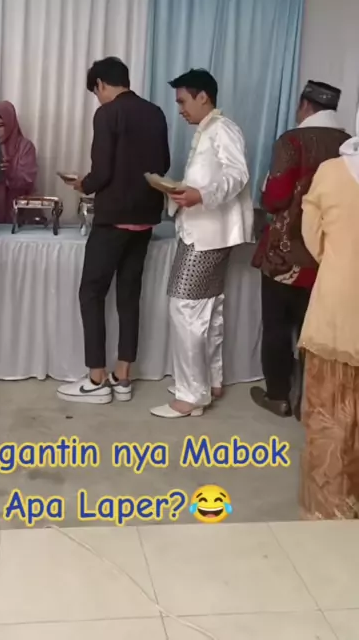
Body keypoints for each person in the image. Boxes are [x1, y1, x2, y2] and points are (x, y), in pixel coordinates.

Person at [57, 57, 170, 405]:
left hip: (114, 219)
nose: (98, 98)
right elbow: (163, 164)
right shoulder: (155, 113)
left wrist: (84, 184)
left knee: (91, 293)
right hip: (146, 218)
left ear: (101, 85)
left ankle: (96, 378)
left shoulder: (107, 114)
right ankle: (123, 377)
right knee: (129, 295)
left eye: (96, 92)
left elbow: (102, 171)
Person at [150, 69, 254, 419]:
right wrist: (183, 192)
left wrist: (201, 195)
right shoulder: (210, 129)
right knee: (208, 309)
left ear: (203, 97)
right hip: (201, 231)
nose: (180, 109)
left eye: (183, 101)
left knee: (186, 310)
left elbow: (238, 174)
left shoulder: (223, 128)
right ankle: (210, 381)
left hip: (207, 236)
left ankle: (191, 394)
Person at [250, 81, 349, 418]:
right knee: (316, 331)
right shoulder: (349, 145)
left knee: (277, 327)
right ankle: (310, 399)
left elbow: (275, 199)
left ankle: (278, 395)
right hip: (328, 257)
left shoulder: (291, 141)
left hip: (285, 255)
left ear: (305, 105)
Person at [299, 107, 359, 519]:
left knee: (327, 417)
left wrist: (339, 264)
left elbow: (313, 237)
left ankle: (328, 510)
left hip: (337, 309)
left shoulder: (332, 172)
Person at [0, 101, 37, 223]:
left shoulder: (24, 146)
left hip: (17, 210)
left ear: (10, 124)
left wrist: (9, 171)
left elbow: (28, 181)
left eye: (0, 125)